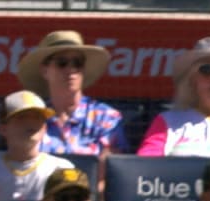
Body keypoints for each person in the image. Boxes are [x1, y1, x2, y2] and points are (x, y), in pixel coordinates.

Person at [16, 30, 128, 160]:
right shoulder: (33, 119)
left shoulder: (106, 118)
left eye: (77, 63)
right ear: (45, 71)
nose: (71, 70)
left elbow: (111, 171)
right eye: (62, 63)